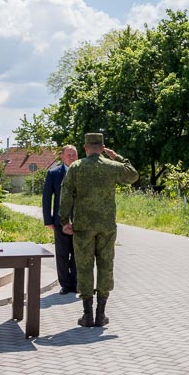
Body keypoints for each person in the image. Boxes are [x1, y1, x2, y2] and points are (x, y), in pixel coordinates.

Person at [58, 133, 139, 327]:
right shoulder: (112, 167)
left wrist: (64, 221)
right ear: (103, 148)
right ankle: (101, 314)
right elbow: (133, 175)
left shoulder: (76, 167)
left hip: (83, 227)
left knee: (84, 267)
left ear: (85, 148)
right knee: (105, 265)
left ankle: (87, 315)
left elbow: (66, 194)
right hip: (106, 226)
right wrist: (116, 156)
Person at [42, 144, 80, 293]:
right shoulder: (53, 174)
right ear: (62, 157)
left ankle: (76, 283)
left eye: (74, 154)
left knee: (78, 253)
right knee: (63, 254)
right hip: (60, 221)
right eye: (69, 155)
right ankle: (65, 284)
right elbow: (46, 198)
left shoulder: (83, 172)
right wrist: (48, 220)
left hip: (80, 221)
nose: (72, 157)